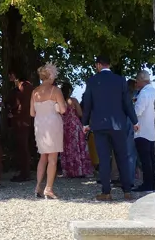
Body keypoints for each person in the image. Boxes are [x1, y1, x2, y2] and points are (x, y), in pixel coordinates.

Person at [81, 57, 138, 201]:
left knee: (104, 159)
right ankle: (127, 191)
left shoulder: (92, 81)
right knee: (122, 157)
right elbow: (127, 103)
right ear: (109, 64)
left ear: (98, 65)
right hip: (119, 125)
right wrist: (134, 121)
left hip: (100, 125)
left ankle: (106, 192)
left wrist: (85, 123)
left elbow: (87, 103)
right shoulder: (120, 80)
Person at [30, 65, 66, 199]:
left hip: (40, 126)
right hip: (53, 125)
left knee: (42, 157)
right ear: (50, 76)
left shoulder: (34, 92)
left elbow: (32, 112)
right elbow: (63, 109)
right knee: (52, 158)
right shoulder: (55, 90)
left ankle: (38, 186)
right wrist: (56, 107)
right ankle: (49, 188)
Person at [131, 69, 155, 193]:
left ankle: (148, 183)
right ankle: (154, 182)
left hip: (142, 132)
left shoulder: (143, 94)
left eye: (137, 81)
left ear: (141, 81)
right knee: (153, 159)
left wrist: (132, 107)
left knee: (145, 160)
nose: (136, 84)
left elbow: (137, 111)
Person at [5, 71, 35, 182]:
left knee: (23, 147)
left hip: (22, 121)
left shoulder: (25, 87)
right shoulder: (26, 86)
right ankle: (24, 171)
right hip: (24, 120)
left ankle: (25, 173)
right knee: (22, 147)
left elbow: (22, 105)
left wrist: (14, 113)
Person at [60, 83, 92, 179]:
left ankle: (69, 170)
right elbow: (80, 113)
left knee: (67, 148)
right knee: (78, 147)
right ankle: (79, 170)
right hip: (74, 126)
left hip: (64, 126)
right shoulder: (73, 100)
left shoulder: (60, 102)